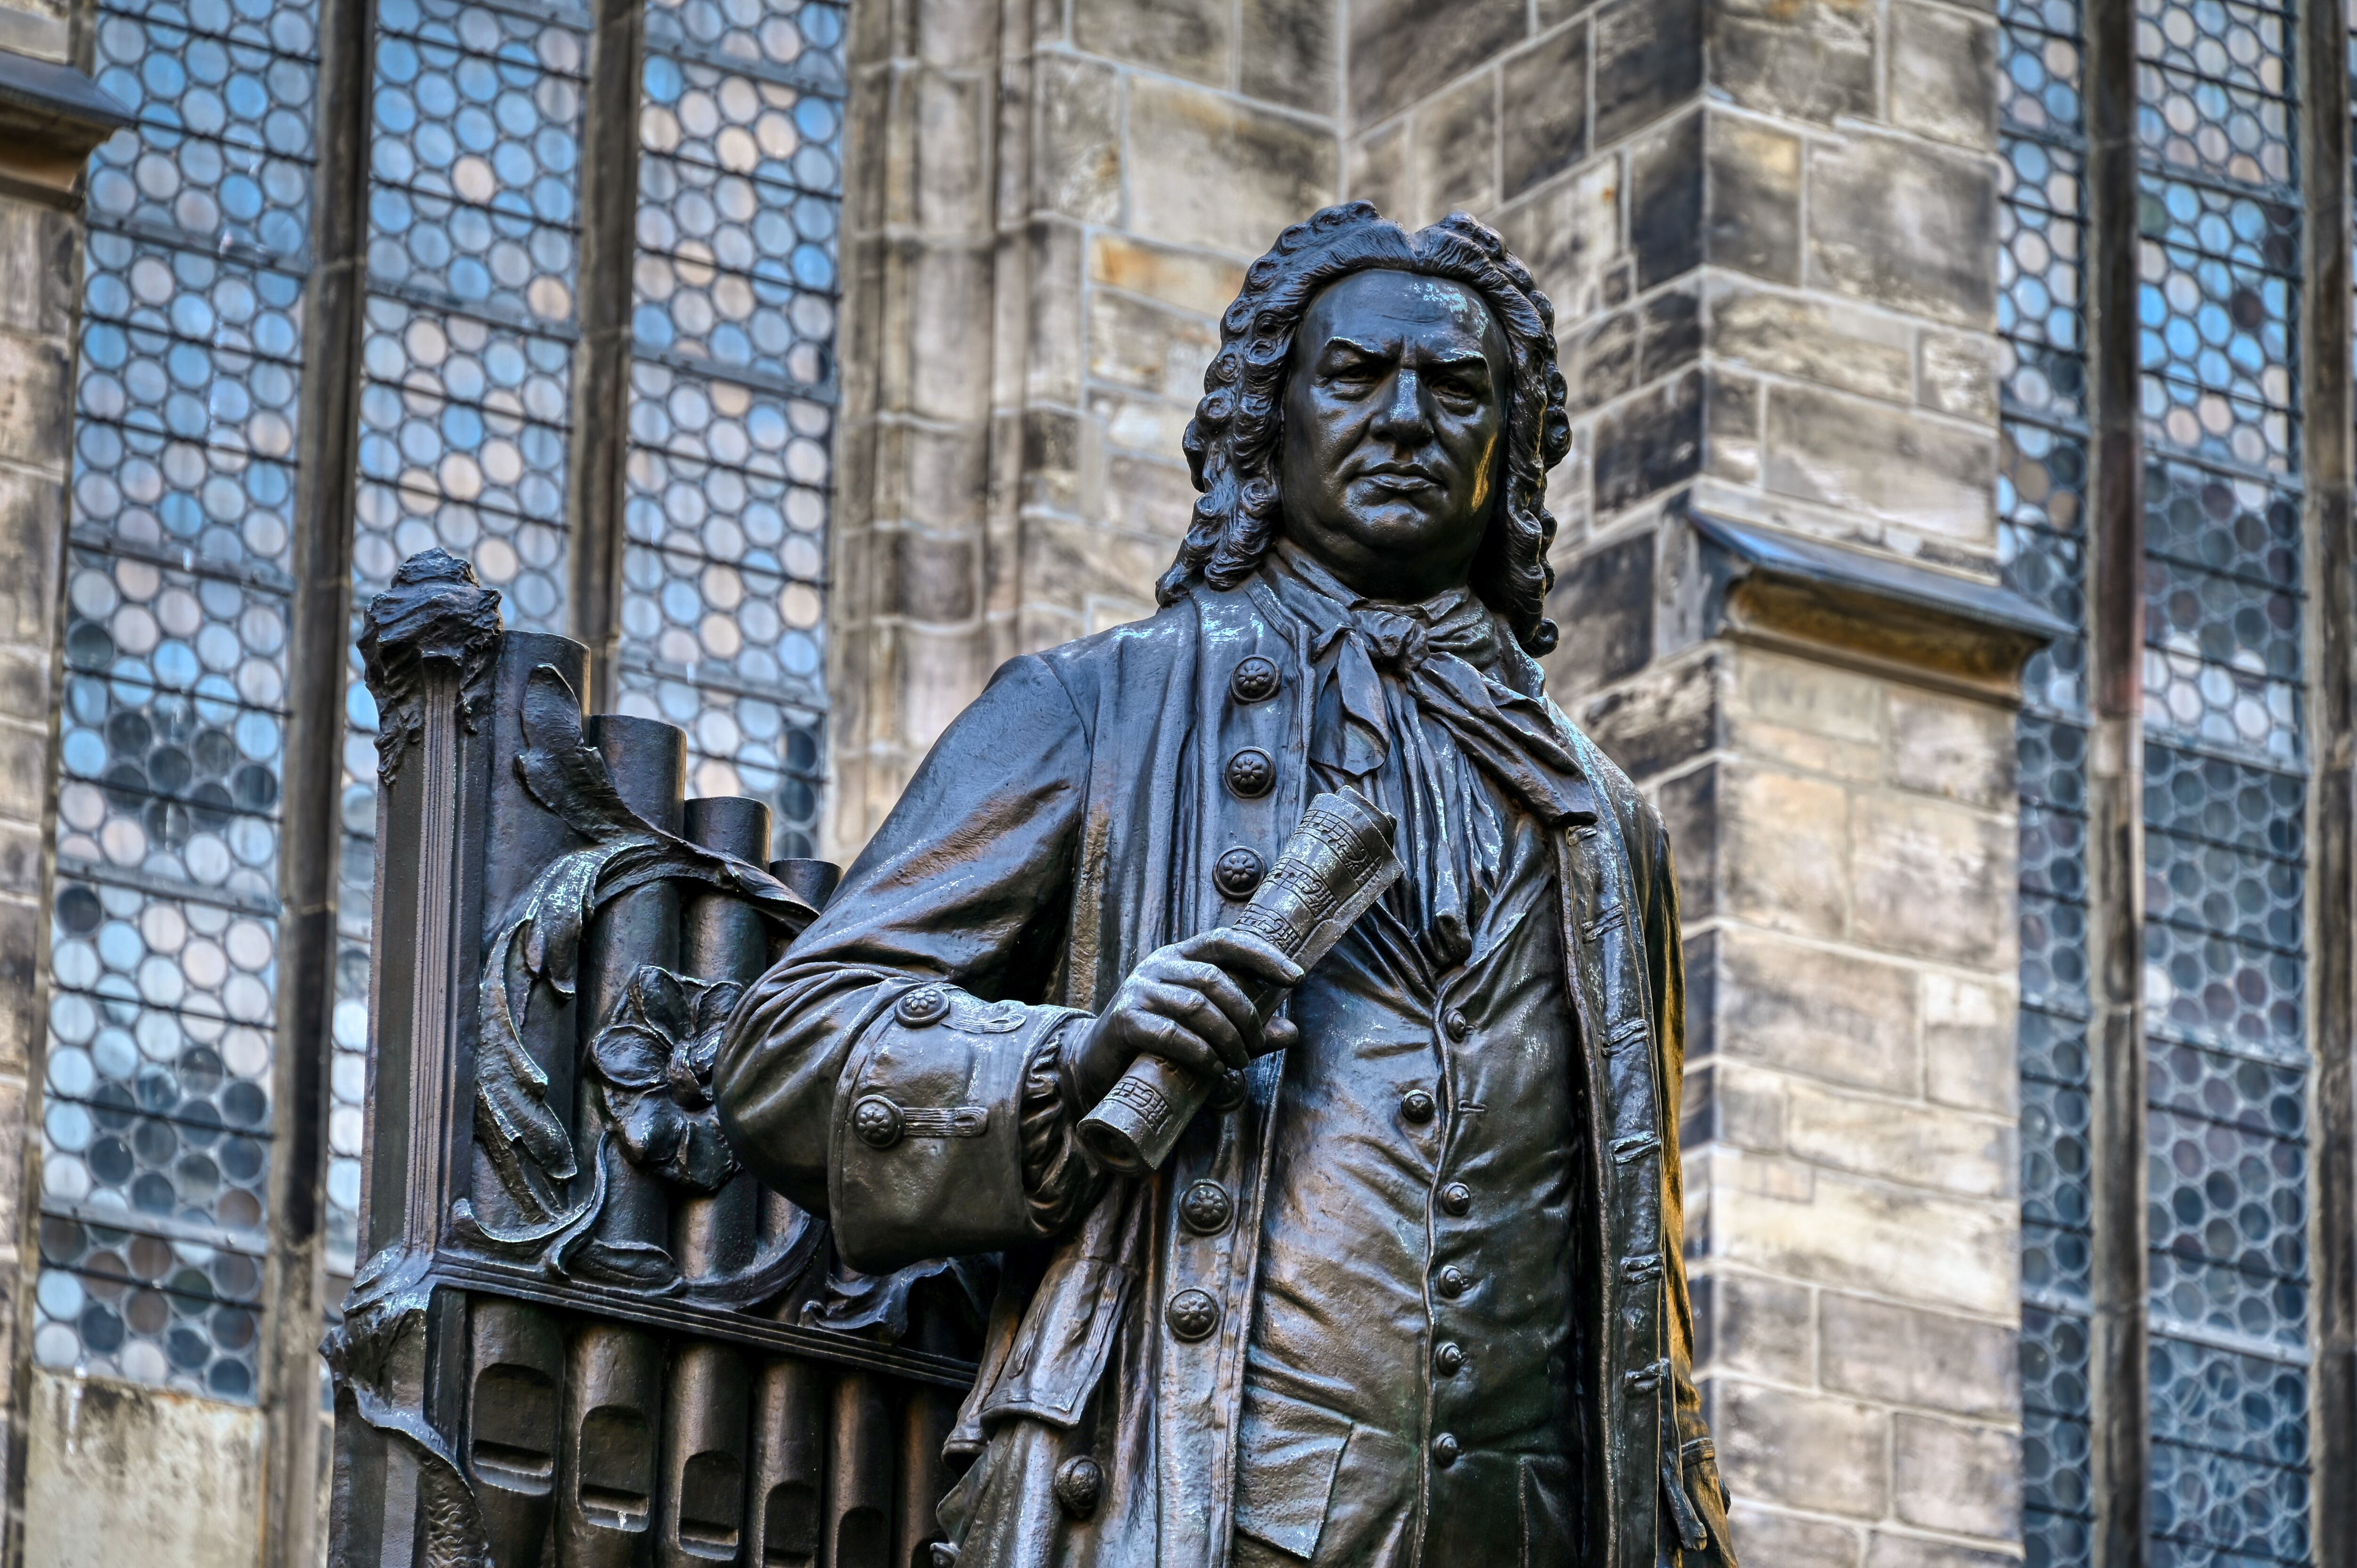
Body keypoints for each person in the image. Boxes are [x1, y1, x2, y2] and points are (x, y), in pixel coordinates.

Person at [717, 201, 1738, 1568]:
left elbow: (1637, 1273)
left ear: (1514, 446)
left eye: (1455, 387)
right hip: (1178, 1494)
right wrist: (1073, 1058)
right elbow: (789, 1047)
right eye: (1358, 375)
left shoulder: (1607, 819)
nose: (1406, 417)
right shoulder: (1099, 706)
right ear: (1272, 420)